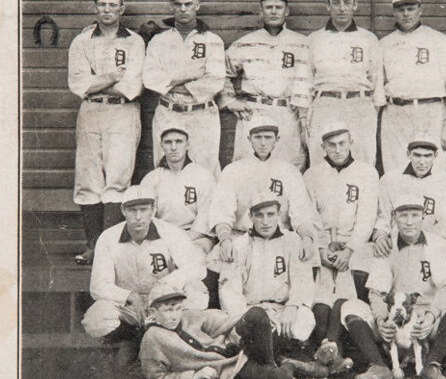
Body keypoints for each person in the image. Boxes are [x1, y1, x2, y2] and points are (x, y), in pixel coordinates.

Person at [338, 195, 446, 379]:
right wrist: (382, 320)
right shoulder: (388, 245)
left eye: (414, 215)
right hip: (397, 322)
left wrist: (431, 316)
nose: (409, 221)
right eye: (403, 215)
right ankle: (379, 366)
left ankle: (432, 364)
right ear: (394, 218)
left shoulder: (438, 244)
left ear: (423, 217)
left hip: (429, 321)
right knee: (350, 307)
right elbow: (376, 292)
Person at [81, 185, 208, 365]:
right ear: (123, 210)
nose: (138, 217)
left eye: (143, 210)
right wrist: (129, 296)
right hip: (131, 308)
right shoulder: (108, 238)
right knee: (95, 320)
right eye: (132, 210)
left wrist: (164, 285)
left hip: (165, 303)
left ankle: (170, 339)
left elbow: (196, 267)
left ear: (153, 210)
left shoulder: (171, 232)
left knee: (197, 293)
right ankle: (134, 338)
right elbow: (98, 285)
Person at [67, 0, 145, 265]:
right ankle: (92, 245)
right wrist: (112, 75)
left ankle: (110, 247)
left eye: (113, 5)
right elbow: (78, 84)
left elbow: (132, 86)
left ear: (121, 9)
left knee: (118, 176)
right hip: (91, 111)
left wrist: (96, 81)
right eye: (102, 5)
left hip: (123, 112)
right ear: (95, 8)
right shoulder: (82, 41)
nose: (107, 10)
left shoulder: (134, 41)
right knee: (88, 177)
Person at [218, 191, 327, 376]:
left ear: (279, 214)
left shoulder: (292, 241)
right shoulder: (240, 245)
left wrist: (292, 306)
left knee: (305, 318)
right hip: (252, 312)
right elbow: (230, 289)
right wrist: (246, 316)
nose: (265, 221)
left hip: (281, 310)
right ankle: (281, 359)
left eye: (270, 214)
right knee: (240, 327)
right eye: (259, 215)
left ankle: (260, 356)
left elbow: (303, 280)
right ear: (250, 216)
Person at [302, 122, 379, 370]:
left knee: (346, 284)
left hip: (353, 244)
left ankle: (332, 346)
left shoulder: (366, 173)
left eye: (342, 144)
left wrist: (350, 249)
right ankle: (328, 348)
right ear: (323, 146)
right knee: (322, 286)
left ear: (351, 143)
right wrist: (321, 248)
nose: (337, 150)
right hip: (322, 244)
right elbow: (310, 216)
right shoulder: (312, 175)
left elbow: (367, 217)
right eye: (331, 145)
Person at [207, 115, 324, 275]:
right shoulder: (233, 170)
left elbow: (301, 212)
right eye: (258, 137)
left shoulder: (289, 171)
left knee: (308, 255)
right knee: (218, 260)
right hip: (243, 237)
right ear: (249, 139)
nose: (263, 143)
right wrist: (225, 239)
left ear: (277, 139)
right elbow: (222, 212)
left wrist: (306, 238)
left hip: (279, 236)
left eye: (268, 137)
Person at [139, 280, 300, 379]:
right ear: (153, 312)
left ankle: (269, 365)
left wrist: (238, 329)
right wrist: (194, 376)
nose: (175, 316)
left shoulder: (186, 316)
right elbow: (157, 378)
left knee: (257, 313)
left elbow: (219, 322)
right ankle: (287, 366)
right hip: (226, 369)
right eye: (168, 310)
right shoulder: (152, 339)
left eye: (178, 308)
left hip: (233, 348)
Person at [219, 0, 312, 169]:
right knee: (248, 165)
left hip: (288, 112)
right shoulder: (246, 42)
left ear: (287, 11)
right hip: (255, 111)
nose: (274, 11)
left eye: (279, 7)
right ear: (260, 12)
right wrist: (229, 101)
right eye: (268, 7)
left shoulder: (302, 43)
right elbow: (221, 70)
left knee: (289, 166)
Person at [144, 0, 226, 175]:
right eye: (178, 4)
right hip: (169, 111)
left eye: (188, 4)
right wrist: (191, 78)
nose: (183, 9)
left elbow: (215, 80)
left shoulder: (212, 40)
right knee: (166, 168)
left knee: (205, 170)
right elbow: (150, 77)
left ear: (197, 6)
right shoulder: (159, 41)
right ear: (171, 7)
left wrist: (172, 82)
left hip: (201, 114)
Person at [379, 0, 446, 175]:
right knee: (395, 170)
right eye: (401, 10)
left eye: (411, 8)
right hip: (395, 114)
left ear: (420, 10)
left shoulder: (439, 40)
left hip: (430, 111)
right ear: (394, 13)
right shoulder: (384, 44)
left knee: (432, 168)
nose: (406, 14)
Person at [307, 0, 386, 166]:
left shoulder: (368, 38)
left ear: (355, 5)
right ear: (328, 6)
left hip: (359, 105)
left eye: (347, 2)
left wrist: (367, 111)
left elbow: (377, 81)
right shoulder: (315, 39)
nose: (341, 8)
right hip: (325, 104)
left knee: (362, 158)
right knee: (321, 159)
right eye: (336, 3)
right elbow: (306, 80)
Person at [372, 135, 446, 257]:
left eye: (427, 156)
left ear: (435, 155)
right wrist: (380, 238)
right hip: (396, 246)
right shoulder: (390, 179)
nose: (422, 162)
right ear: (408, 154)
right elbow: (382, 220)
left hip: (432, 247)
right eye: (417, 155)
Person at [139, 125, 215, 253]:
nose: (173, 147)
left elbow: (205, 216)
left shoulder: (203, 175)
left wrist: (182, 240)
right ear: (161, 145)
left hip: (195, 237)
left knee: (193, 254)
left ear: (187, 144)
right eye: (168, 142)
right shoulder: (152, 178)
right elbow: (146, 216)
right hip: (161, 236)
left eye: (179, 141)